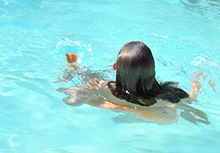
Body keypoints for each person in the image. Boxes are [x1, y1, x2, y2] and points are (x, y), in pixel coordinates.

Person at [59, 41, 205, 124]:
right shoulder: (170, 96)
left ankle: (73, 66)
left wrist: (79, 93)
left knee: (83, 76)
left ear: (115, 67)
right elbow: (191, 100)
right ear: (152, 69)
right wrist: (195, 84)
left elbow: (74, 102)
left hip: (105, 91)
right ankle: (74, 67)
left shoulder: (105, 87)